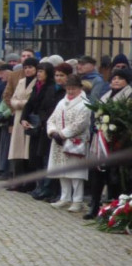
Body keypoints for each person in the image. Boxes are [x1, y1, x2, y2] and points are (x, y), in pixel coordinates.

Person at [84, 65, 132, 219]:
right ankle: (94, 204)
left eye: (120, 78)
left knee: (117, 177)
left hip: (120, 143)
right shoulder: (106, 96)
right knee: (97, 173)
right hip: (102, 142)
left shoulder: (129, 97)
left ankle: (117, 209)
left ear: (127, 81)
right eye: (114, 78)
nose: (116, 81)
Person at [45, 74, 93, 213]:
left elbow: (80, 124)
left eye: (73, 89)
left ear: (79, 88)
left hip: (75, 142)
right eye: (68, 89)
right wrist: (53, 132)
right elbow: (51, 119)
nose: (70, 92)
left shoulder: (84, 104)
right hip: (59, 141)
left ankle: (77, 200)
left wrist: (63, 134)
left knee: (76, 172)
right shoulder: (61, 102)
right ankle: (65, 197)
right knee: (62, 170)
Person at [22, 61, 63, 200]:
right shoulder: (37, 85)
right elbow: (29, 103)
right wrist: (24, 118)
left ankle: (46, 187)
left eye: (41, 71)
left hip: (45, 124)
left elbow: (48, 107)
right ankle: (39, 186)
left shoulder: (50, 87)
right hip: (35, 123)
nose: (38, 74)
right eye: (38, 71)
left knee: (44, 156)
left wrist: (41, 119)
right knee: (35, 157)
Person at [7, 57, 39, 189]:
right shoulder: (21, 82)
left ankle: (29, 183)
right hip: (18, 117)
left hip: (29, 118)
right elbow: (12, 99)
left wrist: (22, 103)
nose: (28, 70)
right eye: (25, 68)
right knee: (18, 151)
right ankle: (18, 181)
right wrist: (20, 103)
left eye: (30, 67)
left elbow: (33, 101)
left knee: (27, 151)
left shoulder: (37, 83)